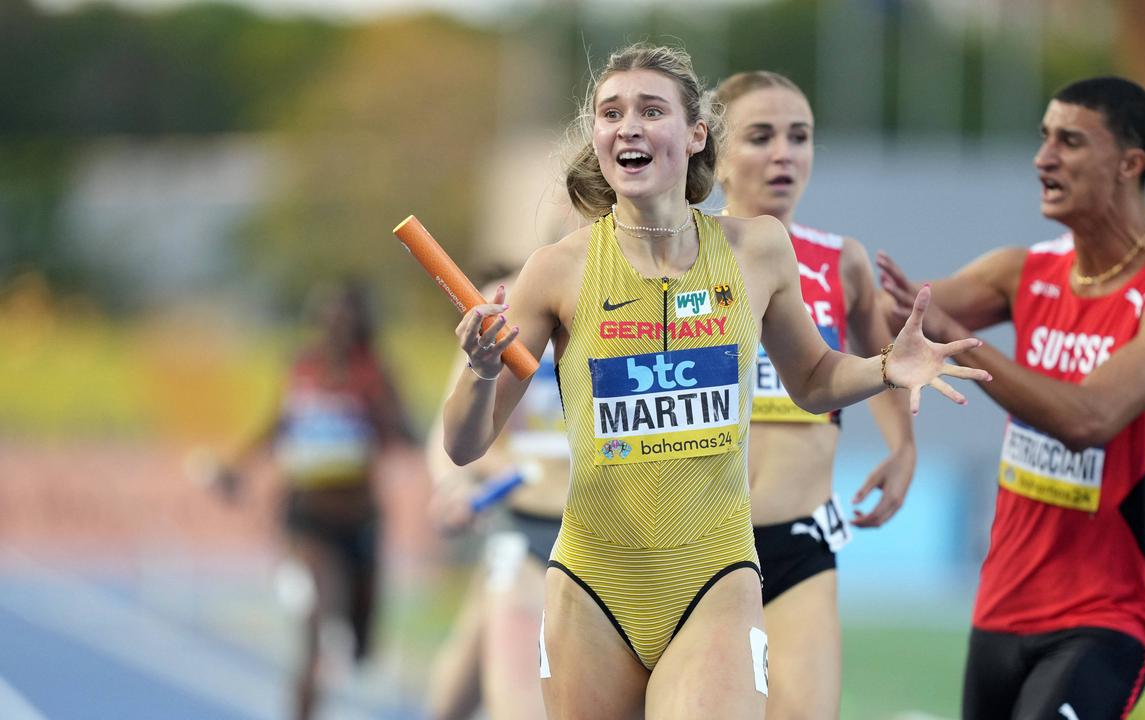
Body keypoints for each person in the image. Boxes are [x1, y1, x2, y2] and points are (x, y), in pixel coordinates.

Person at [440, 43, 989, 720]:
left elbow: (813, 379)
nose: (629, 126)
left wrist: (884, 368)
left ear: (697, 134)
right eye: (611, 112)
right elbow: (466, 443)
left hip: (716, 576)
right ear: (599, 137)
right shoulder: (557, 270)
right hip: (592, 581)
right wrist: (479, 369)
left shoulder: (757, 249)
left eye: (651, 109)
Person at [876, 76, 1145, 719]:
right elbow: (894, 320)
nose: (1043, 158)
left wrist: (956, 339)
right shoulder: (1023, 271)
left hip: (1106, 617)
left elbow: (1088, 419)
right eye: (1043, 139)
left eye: (1069, 142)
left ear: (1129, 163)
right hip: (1001, 606)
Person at [713, 70, 916, 719]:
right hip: (698, 544)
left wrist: (902, 446)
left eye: (799, 137)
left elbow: (880, 363)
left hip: (801, 542)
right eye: (760, 136)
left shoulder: (840, 261)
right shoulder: (680, 258)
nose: (784, 154)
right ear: (712, 154)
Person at [213, 280, 418, 720]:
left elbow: (405, 432)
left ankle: (357, 636)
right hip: (306, 521)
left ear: (360, 325)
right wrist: (238, 468)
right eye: (328, 318)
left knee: (363, 642)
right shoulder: (302, 369)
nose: (335, 328)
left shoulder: (375, 373)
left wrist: (392, 419)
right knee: (317, 629)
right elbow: (278, 424)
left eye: (345, 320)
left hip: (360, 522)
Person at [426, 271, 571, 720]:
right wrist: (456, 485)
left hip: (609, 537)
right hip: (524, 529)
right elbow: (452, 435)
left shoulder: (654, 292)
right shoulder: (511, 299)